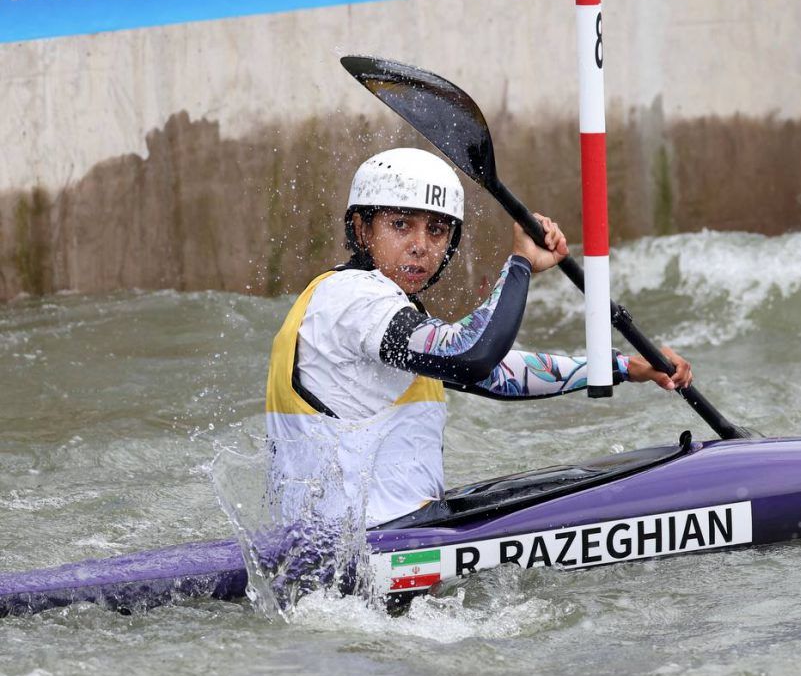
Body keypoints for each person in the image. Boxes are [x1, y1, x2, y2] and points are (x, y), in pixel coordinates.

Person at [264, 147, 693, 529]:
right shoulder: (353, 300)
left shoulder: (380, 311)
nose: (420, 246)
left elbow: (495, 374)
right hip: (368, 547)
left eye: (436, 231)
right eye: (400, 225)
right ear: (361, 230)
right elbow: (472, 354)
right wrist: (521, 264)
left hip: (375, 535)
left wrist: (620, 366)